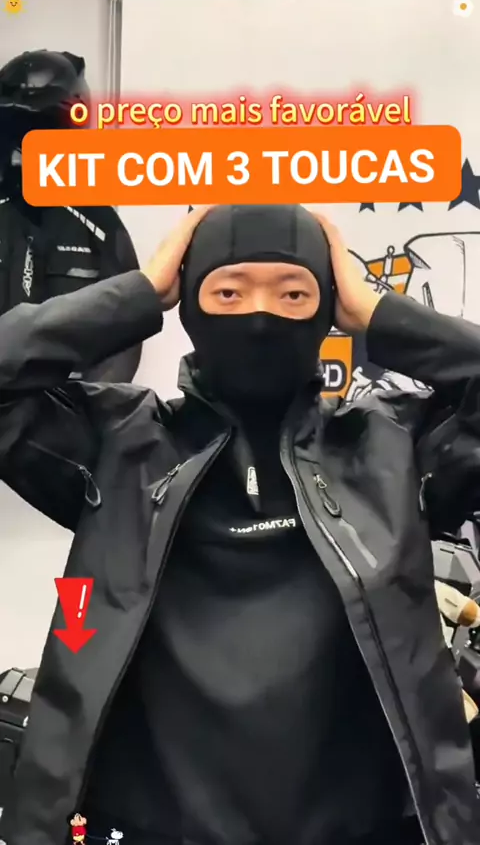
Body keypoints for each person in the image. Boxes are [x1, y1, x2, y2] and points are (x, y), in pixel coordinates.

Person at [0, 204, 478, 845]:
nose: (260, 316)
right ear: (189, 303)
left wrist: (379, 314)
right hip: (147, 828)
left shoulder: (391, 448)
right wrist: (138, 295)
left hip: (363, 828)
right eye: (228, 292)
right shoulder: (119, 444)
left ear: (329, 306)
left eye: (293, 294)